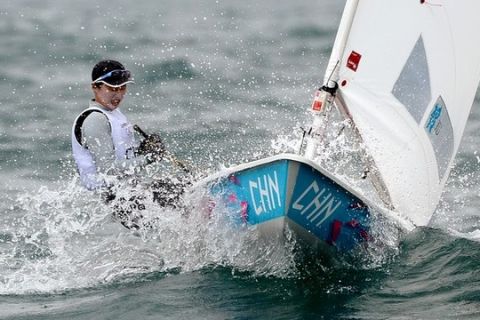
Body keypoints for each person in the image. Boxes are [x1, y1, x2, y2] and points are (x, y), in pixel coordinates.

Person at [71, 59, 169, 228]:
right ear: (95, 87)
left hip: (128, 193)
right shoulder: (95, 119)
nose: (118, 94)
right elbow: (108, 169)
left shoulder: (113, 114)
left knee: (180, 187)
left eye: (122, 88)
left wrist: (142, 150)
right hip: (114, 200)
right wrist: (148, 158)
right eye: (112, 89)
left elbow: (122, 157)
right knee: (179, 194)